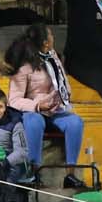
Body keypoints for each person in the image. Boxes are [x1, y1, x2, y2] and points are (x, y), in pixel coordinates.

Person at [5, 24, 86, 180]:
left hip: (55, 111)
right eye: (50, 35)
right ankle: (35, 171)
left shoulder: (54, 59)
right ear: (45, 42)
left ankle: (70, 174)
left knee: (75, 122)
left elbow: (65, 85)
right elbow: (14, 100)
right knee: (34, 121)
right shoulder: (24, 66)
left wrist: (62, 98)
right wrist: (37, 105)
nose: (53, 38)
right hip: (33, 112)